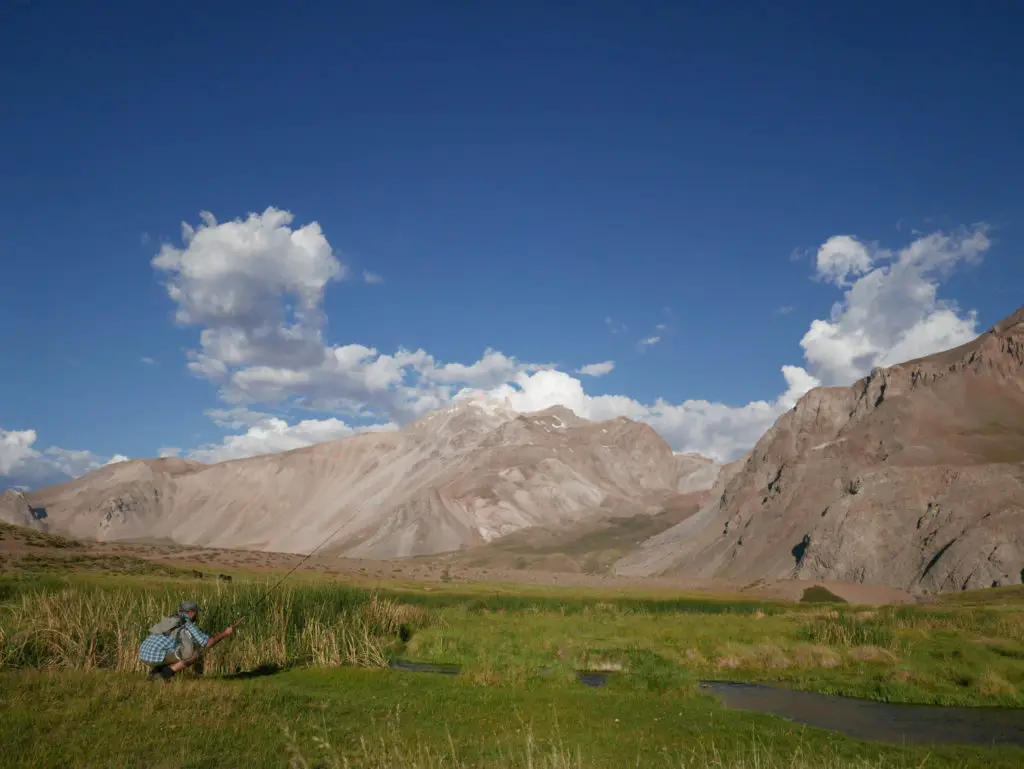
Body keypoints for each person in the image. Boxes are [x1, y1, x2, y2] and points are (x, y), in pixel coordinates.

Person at [138, 600, 237, 681]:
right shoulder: (187, 623)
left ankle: (155, 673)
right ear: (191, 613)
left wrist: (214, 635)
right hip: (155, 655)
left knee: (176, 648)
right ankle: (166, 673)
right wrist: (226, 633)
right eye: (196, 613)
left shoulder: (171, 618)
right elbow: (207, 643)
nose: (197, 616)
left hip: (143, 653)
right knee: (195, 652)